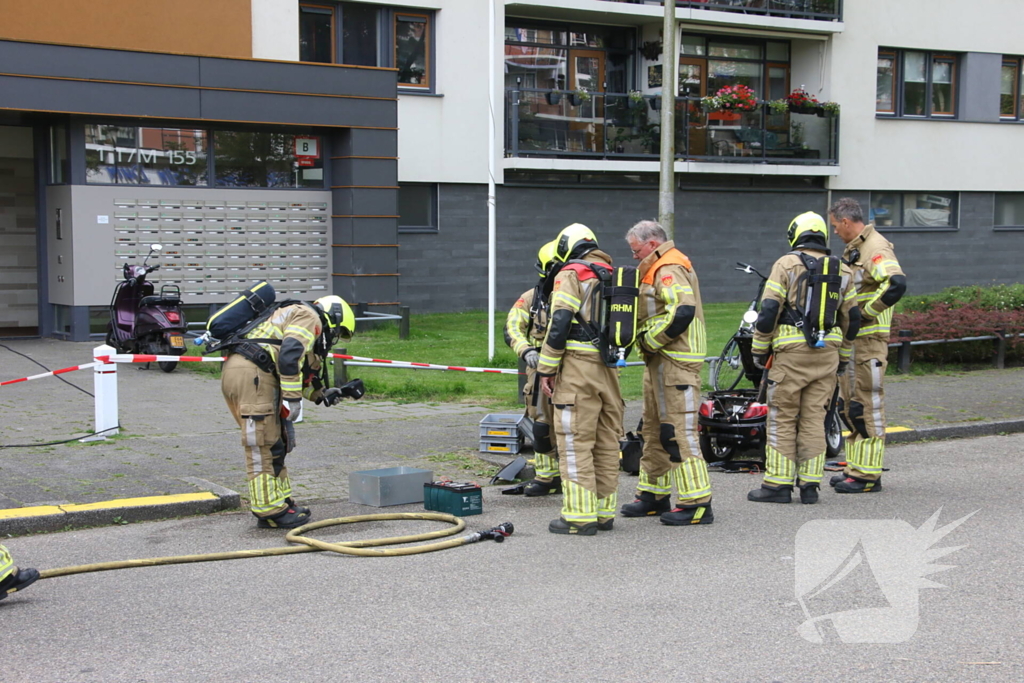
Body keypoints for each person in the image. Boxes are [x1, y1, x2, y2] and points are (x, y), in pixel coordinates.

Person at [747, 211, 860, 504]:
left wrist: (759, 350)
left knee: (782, 417)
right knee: (815, 418)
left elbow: (769, 309)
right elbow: (853, 319)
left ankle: (777, 486)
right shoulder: (844, 271)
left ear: (795, 234)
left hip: (790, 354)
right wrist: (844, 358)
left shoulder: (786, 264)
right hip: (828, 356)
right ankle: (810, 486)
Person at [221, 295, 356, 528]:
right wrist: (292, 400)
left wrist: (321, 394)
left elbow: (298, 367)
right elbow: (290, 354)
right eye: (337, 331)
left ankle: (281, 502)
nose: (333, 338)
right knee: (262, 443)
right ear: (333, 317)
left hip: (251, 373)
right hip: (254, 375)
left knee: (276, 443)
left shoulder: (295, 314)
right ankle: (269, 511)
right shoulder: (309, 316)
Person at [620, 220, 714, 525]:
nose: (634, 256)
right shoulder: (657, 266)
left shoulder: (667, 267)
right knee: (653, 431)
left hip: (677, 362)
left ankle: (697, 503)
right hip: (661, 363)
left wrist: (649, 339)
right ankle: (653, 495)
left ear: (651, 244)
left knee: (679, 433)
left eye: (636, 250)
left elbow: (682, 310)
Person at [537, 224, 622, 535]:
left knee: (575, 443)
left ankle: (578, 517)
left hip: (577, 367)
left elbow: (559, 322)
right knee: (606, 442)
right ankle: (603, 513)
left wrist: (547, 368)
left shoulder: (570, 273)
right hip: (609, 367)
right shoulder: (611, 273)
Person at [829, 197, 907, 493]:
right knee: (852, 406)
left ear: (846, 222)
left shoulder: (875, 247)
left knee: (867, 405)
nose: (835, 231)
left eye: (836, 226)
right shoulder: (858, 247)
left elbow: (896, 284)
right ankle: (856, 470)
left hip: (869, 341)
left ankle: (868, 476)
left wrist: (863, 315)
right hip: (856, 341)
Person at [504, 240, 561, 496]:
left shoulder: (584, 294)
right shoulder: (532, 298)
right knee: (541, 426)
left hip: (575, 369)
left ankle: (576, 475)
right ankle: (547, 478)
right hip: (539, 372)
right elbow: (512, 327)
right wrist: (526, 351)